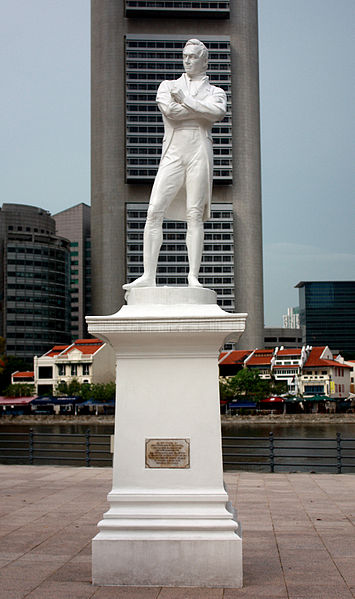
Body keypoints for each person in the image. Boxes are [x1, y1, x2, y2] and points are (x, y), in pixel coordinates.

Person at [123, 38, 227, 290]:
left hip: (199, 150)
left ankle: (193, 276)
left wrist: (186, 101)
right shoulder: (168, 85)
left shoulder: (216, 91)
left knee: (194, 214)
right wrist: (198, 110)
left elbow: (217, 113)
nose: (187, 60)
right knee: (154, 210)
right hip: (174, 150)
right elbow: (172, 113)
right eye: (185, 56)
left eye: (192, 56)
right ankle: (148, 275)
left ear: (205, 61)